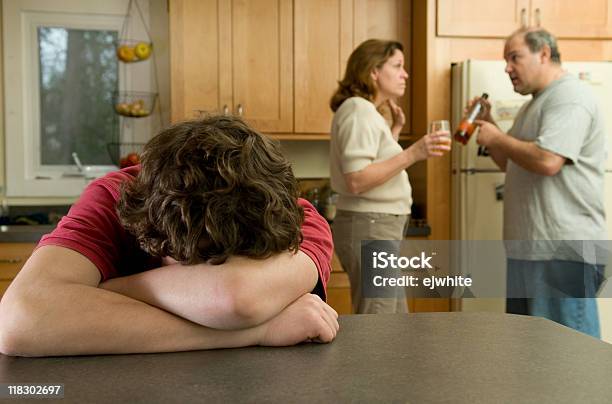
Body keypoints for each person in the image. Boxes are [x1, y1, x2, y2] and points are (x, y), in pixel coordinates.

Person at [0, 115, 338, 356]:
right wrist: (256, 332)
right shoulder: (115, 198)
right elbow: (18, 321)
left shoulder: (296, 216)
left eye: (225, 263)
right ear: (148, 225)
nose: (202, 279)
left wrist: (110, 291)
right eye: (192, 264)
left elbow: (236, 299)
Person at [474, 27, 607, 338]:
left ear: (544, 54)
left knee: (568, 353)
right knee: (532, 353)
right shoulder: (534, 103)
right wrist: (493, 129)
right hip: (532, 249)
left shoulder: (569, 97)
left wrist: (498, 137)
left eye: (514, 57)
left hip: (561, 250)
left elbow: (548, 161)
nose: (507, 67)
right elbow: (512, 163)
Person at [329, 39, 451, 314]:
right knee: (379, 322)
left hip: (376, 225)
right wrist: (413, 152)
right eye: (397, 66)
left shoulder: (365, 112)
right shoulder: (358, 110)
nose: (405, 74)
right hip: (371, 225)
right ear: (373, 71)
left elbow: (374, 165)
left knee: (393, 320)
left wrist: (393, 132)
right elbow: (357, 179)